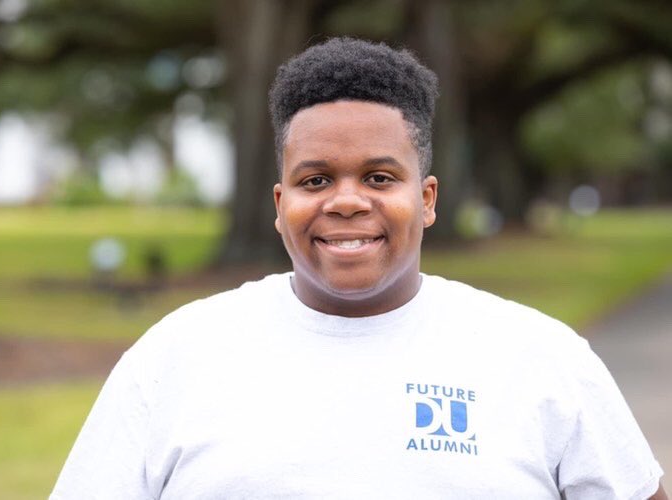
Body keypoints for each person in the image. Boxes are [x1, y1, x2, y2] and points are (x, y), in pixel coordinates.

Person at [51, 37, 666, 499]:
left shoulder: (542, 358)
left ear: (426, 200)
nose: (346, 200)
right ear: (279, 204)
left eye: (378, 176)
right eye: (315, 179)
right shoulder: (174, 360)